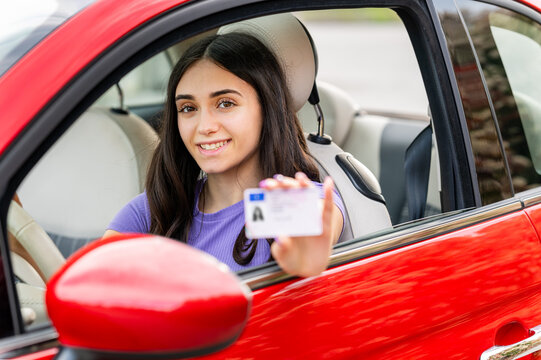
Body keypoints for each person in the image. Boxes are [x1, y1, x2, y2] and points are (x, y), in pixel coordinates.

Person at [104, 32, 344, 277]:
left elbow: (315, 227)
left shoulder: (292, 200)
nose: (204, 126)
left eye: (225, 103)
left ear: (267, 109)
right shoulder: (156, 208)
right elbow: (94, 283)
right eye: (188, 108)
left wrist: (307, 251)